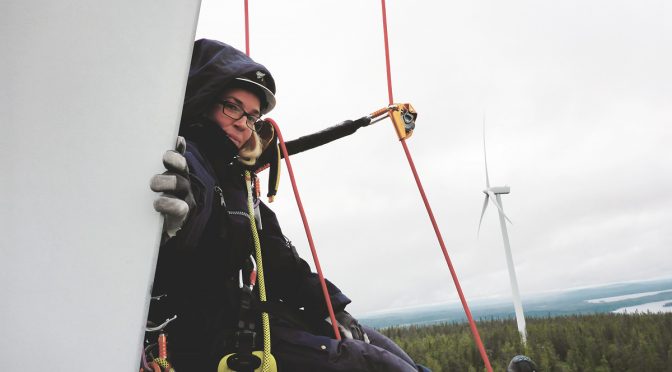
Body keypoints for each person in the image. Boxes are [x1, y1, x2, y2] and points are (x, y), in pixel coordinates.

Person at [149, 38, 429, 372]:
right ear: (204, 101)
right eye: (233, 106)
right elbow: (194, 194)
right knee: (370, 363)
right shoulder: (187, 157)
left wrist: (331, 307)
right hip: (207, 338)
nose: (243, 123)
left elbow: (278, 258)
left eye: (252, 116)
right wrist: (183, 206)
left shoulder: (237, 180)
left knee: (376, 345)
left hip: (250, 319)